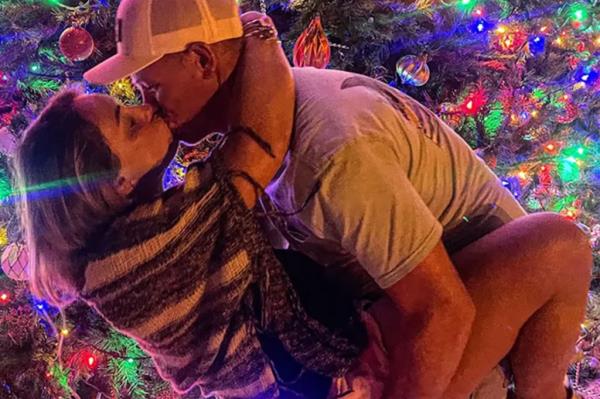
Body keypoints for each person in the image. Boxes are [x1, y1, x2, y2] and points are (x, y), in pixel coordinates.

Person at [84, 1, 592, 398]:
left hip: (466, 328)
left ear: (200, 60)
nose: (146, 105)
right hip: (392, 316)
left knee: (558, 243)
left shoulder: (328, 149)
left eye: (149, 87)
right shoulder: (259, 125)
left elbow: (443, 312)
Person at [15, 23, 368, 399]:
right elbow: (260, 142)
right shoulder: (151, 245)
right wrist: (258, 34)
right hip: (298, 383)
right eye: (130, 123)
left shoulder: (107, 264)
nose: (146, 109)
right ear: (115, 181)